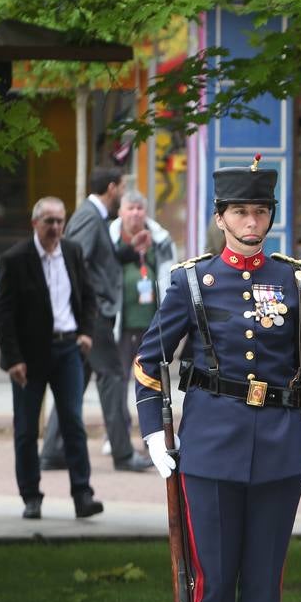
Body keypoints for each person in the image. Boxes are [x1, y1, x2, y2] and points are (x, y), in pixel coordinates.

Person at [132, 159, 301, 602]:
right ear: (220, 217)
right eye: (242, 212)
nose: (253, 221)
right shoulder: (192, 280)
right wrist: (154, 432)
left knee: (264, 576)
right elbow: (151, 363)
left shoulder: (294, 279)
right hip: (212, 444)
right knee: (215, 576)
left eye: (262, 211)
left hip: (277, 444)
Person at [0, 197, 104, 520]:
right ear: (35, 224)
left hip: (68, 349)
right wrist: (13, 358)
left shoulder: (72, 251)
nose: (55, 228)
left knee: (73, 422)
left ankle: (83, 495)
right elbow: (4, 314)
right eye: (49, 222)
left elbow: (88, 296)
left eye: (59, 221)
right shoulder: (16, 259)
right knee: (27, 429)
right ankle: (31, 496)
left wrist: (85, 332)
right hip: (28, 356)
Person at [42, 167, 152, 472]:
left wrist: (130, 252)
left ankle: (52, 451)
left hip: (90, 315)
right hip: (94, 318)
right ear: (112, 188)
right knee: (114, 377)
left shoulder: (93, 215)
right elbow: (73, 260)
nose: (122, 194)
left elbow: (99, 259)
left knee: (73, 384)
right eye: (122, 188)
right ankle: (122, 453)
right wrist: (92, 306)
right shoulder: (91, 216)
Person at [109, 189, 174, 450]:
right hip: (119, 323)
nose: (135, 213)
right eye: (130, 208)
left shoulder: (160, 239)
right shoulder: (111, 238)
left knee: (154, 381)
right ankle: (117, 436)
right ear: (120, 212)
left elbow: (169, 276)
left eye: (139, 208)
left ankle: (155, 436)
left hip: (151, 323)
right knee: (118, 382)